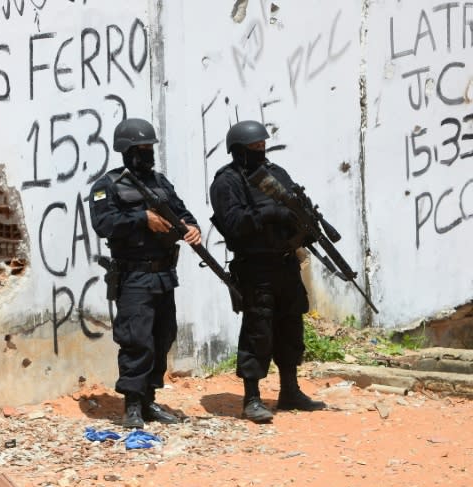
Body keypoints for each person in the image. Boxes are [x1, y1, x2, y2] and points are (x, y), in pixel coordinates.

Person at [209, 120, 326, 423]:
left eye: (262, 145)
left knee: (290, 328)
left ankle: (290, 391)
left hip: (286, 263)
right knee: (257, 331)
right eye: (253, 147)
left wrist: (304, 220)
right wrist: (270, 212)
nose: (260, 150)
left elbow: (297, 205)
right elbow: (233, 222)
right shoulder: (227, 181)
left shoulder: (277, 174)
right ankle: (252, 399)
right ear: (237, 151)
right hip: (255, 266)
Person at [89, 118, 201, 428]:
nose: (146, 154)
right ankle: (133, 406)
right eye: (140, 149)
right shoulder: (107, 186)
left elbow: (182, 212)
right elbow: (104, 224)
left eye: (149, 148)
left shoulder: (160, 183)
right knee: (136, 339)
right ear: (125, 151)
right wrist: (142, 218)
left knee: (162, 337)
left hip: (164, 274)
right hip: (134, 275)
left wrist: (192, 228)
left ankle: (150, 399)